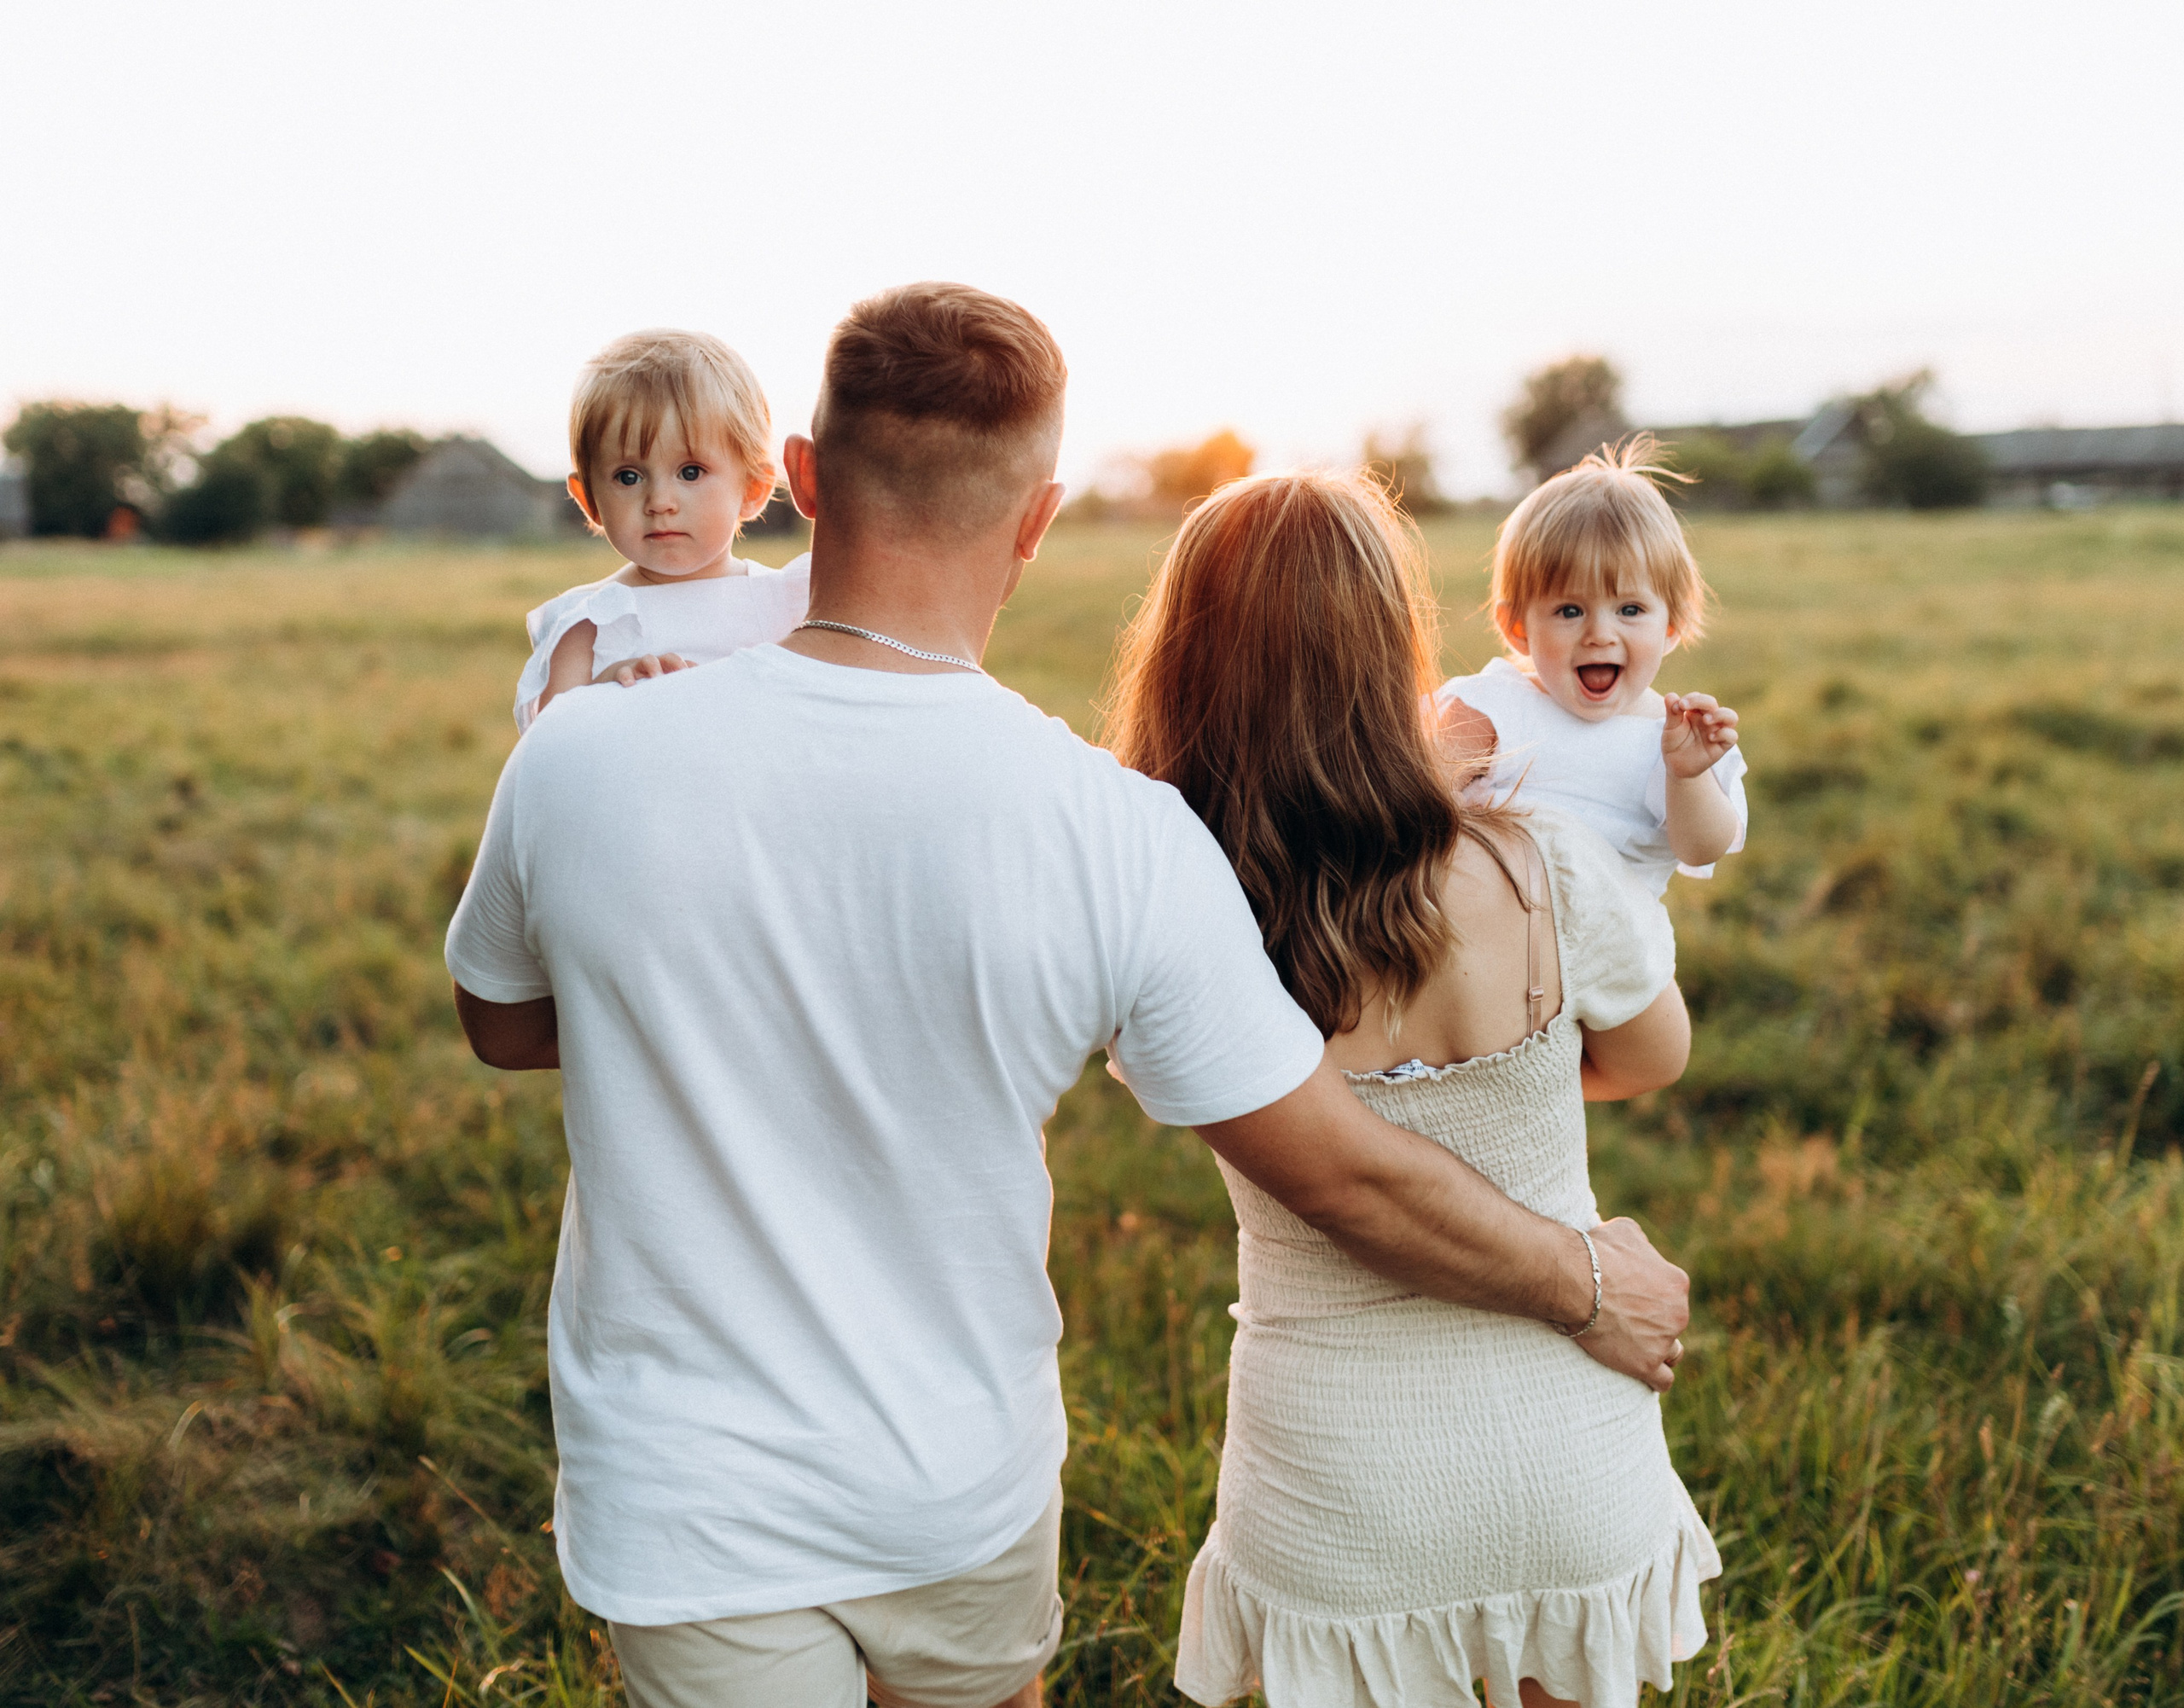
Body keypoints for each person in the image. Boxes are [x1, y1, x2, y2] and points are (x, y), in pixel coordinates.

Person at [445, 282, 1691, 1708]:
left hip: (681, 1499)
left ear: (794, 478)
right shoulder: (1107, 827)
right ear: (1035, 522)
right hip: (952, 1487)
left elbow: (505, 1025)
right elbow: (1339, 1171)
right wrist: (1587, 1279)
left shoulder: (574, 756)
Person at [1104, 470, 1721, 1708]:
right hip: (1567, 1434)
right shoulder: (1539, 854)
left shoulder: (1173, 904)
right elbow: (1653, 1059)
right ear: (1399, 643)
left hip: (1338, 1473)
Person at [1436, 438, 1747, 899]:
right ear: (1518, 626)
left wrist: (1687, 774)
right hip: (1494, 950)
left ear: (1672, 624)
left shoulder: (1675, 740)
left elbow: (1703, 848)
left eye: (1630, 609)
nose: (1600, 634)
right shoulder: (1494, 709)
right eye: (1569, 611)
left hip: (1612, 961)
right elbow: (1402, 805)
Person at [511, 328, 810, 733]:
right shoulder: (588, 626)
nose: (660, 501)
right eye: (629, 476)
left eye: (691, 472)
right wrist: (603, 692)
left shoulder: (787, 602)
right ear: (589, 500)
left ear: (753, 489)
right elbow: (547, 756)